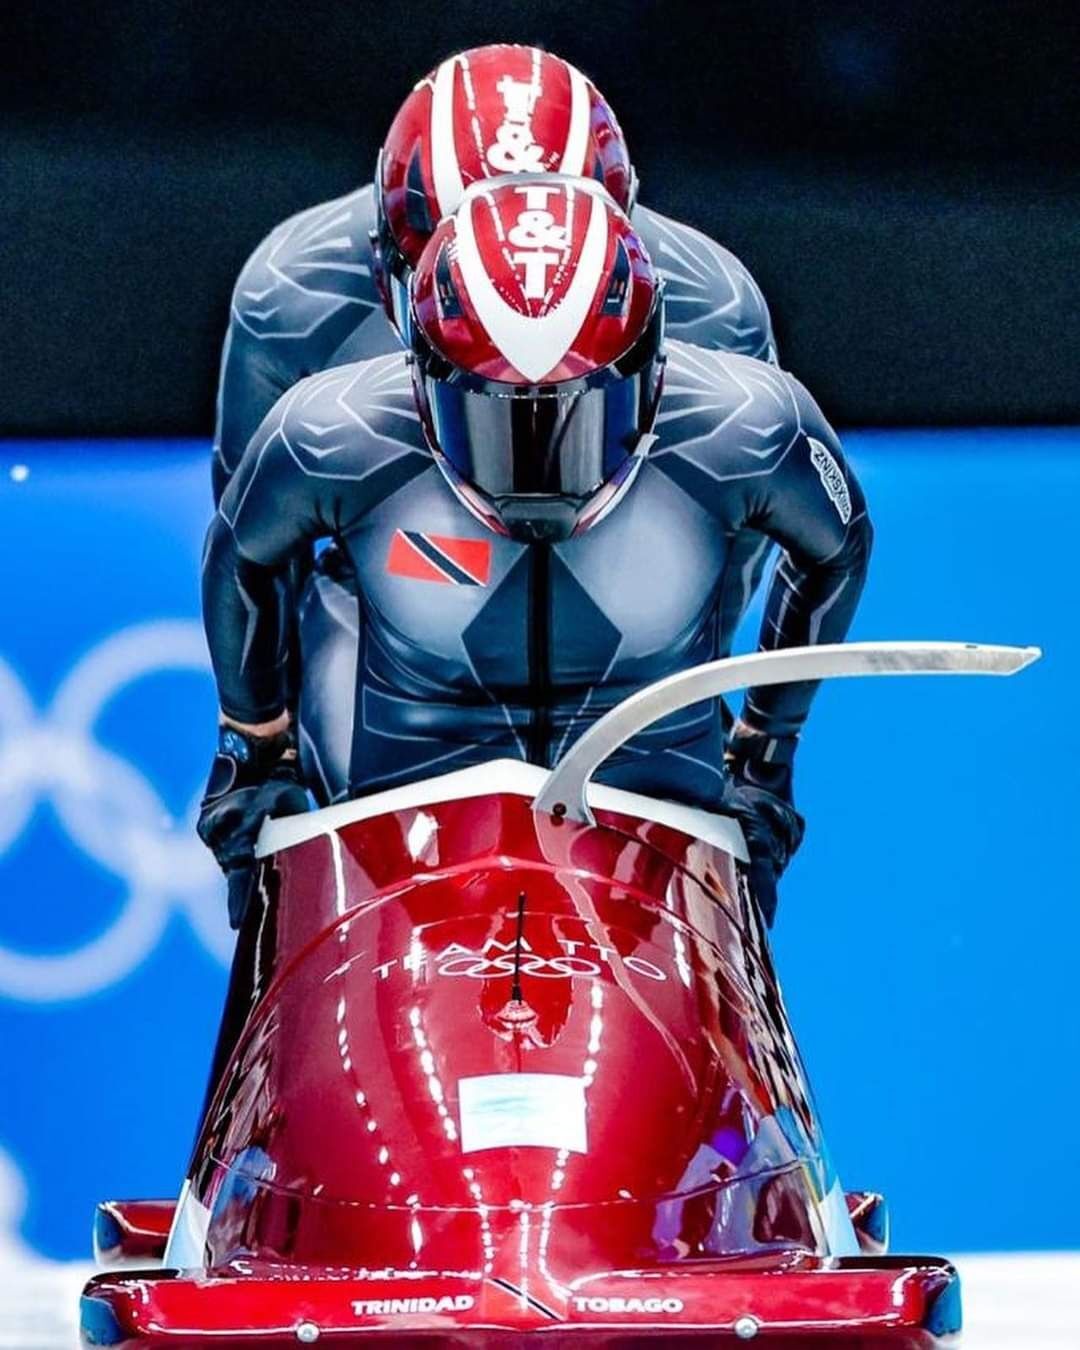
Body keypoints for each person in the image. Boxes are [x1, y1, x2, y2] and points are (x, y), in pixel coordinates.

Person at [199, 177, 872, 930]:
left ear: (653, 365)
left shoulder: (755, 424)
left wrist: (255, 744)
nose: (537, 480)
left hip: (641, 812)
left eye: (579, 413)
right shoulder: (328, 433)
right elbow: (241, 556)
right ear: (420, 376)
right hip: (407, 816)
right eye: (493, 419)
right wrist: (255, 754)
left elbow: (240, 556)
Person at [211, 45, 780, 803]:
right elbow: (257, 540)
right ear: (384, 244)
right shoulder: (291, 297)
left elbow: (730, 553)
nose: (507, 277)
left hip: (615, 552)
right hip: (398, 579)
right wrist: (264, 748)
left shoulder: (719, 309)